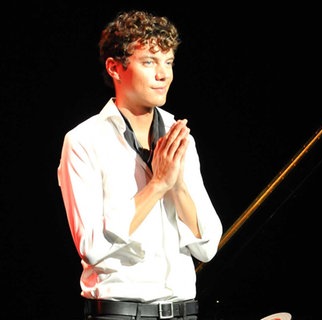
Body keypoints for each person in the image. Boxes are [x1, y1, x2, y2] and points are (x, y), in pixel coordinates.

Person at [57, 9, 223, 320]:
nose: (163, 74)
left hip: (184, 311)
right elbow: (91, 245)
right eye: (149, 62)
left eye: (169, 62)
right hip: (121, 313)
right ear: (115, 68)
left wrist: (177, 186)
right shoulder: (84, 140)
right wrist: (158, 184)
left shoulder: (178, 136)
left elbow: (209, 245)